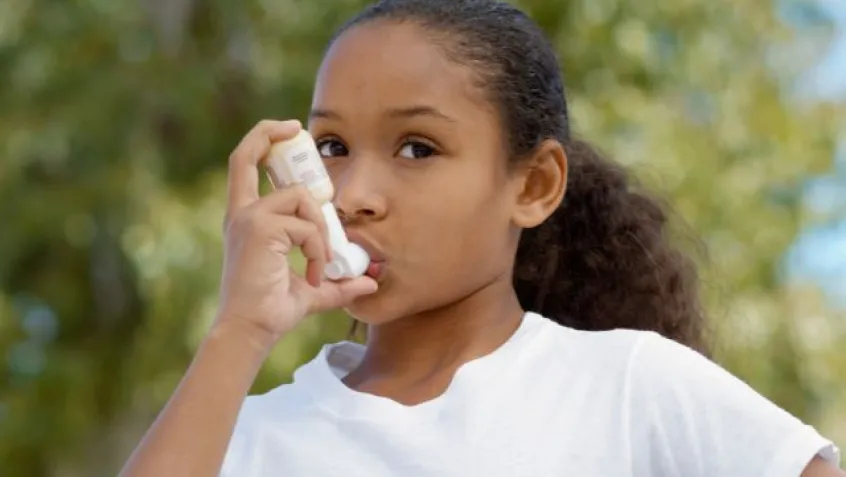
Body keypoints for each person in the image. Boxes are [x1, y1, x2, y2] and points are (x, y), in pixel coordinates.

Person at [118, 1, 843, 476]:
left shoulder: (629, 386)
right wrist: (238, 331)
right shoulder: (245, 435)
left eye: (417, 149)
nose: (354, 194)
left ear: (533, 186)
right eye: (332, 145)